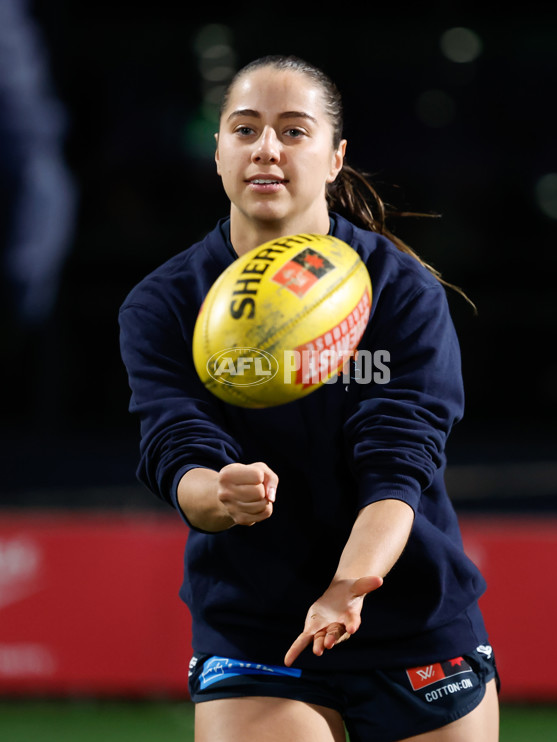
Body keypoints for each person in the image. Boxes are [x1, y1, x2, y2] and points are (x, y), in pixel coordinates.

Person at [119, 54, 499, 742]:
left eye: (294, 131)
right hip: (256, 625)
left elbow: (398, 464)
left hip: (408, 611)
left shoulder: (400, 291)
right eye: (245, 128)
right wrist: (220, 492)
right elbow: (177, 452)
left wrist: (347, 588)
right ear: (218, 153)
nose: (267, 147)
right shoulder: (164, 303)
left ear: (334, 157)